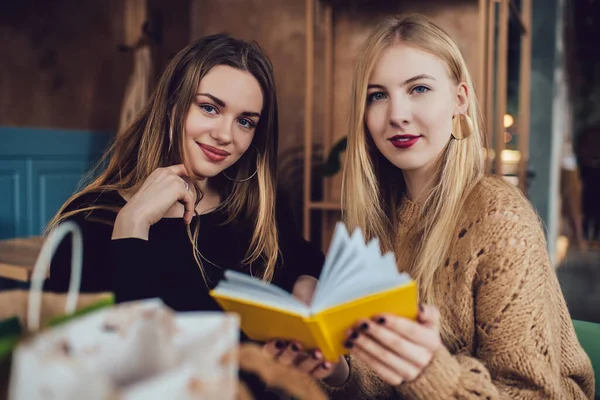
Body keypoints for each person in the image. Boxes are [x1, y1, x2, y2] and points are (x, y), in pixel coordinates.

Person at [296, 14, 594, 399]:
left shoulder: (500, 221)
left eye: (418, 88)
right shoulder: (379, 216)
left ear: (459, 99)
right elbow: (383, 379)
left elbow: (536, 394)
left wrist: (429, 371)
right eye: (377, 95)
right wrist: (337, 368)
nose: (397, 114)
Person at [46, 33, 324, 324]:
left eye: (245, 122)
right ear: (171, 106)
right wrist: (132, 226)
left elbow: (308, 260)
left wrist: (307, 280)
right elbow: (100, 354)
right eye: (209, 108)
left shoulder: (260, 209)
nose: (225, 135)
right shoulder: (87, 222)